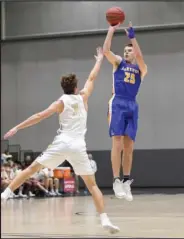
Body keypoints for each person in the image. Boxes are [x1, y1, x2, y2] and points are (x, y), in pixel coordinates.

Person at [1, 47, 119, 234]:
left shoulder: (60, 102)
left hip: (62, 143)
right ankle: (104, 219)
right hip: (78, 146)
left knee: (31, 169)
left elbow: (39, 116)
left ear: (63, 87)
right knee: (93, 185)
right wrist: (99, 60)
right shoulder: (83, 97)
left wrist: (17, 127)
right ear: (76, 87)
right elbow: (92, 78)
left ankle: (6, 193)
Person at [103, 22, 147, 201]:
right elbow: (106, 50)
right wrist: (111, 30)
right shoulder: (118, 63)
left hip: (132, 105)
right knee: (118, 141)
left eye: (130, 51)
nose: (127, 52)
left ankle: (126, 180)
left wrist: (133, 39)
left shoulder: (141, 69)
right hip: (118, 103)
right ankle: (116, 180)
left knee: (129, 147)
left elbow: (141, 58)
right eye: (125, 50)